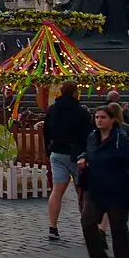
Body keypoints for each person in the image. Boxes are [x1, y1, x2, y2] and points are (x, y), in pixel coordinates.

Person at [77, 105, 129, 258]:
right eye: (97, 117)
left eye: (103, 117)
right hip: (95, 187)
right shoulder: (92, 137)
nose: (99, 120)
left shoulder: (121, 138)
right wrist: (82, 157)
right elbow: (87, 152)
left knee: (118, 229)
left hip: (116, 189)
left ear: (112, 119)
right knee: (87, 222)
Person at [43, 80, 93, 241]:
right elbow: (88, 136)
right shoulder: (82, 112)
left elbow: (46, 131)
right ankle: (87, 227)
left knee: (57, 190)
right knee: (82, 192)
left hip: (57, 151)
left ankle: (52, 226)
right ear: (74, 92)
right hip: (77, 154)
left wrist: (48, 149)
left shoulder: (52, 109)